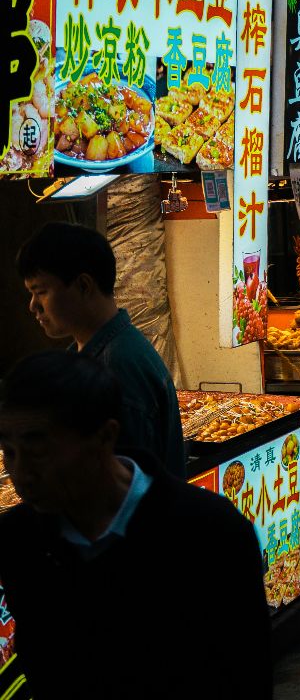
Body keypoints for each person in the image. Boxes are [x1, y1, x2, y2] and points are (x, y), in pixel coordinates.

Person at [0, 351, 269, 698]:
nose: (21, 474)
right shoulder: (18, 540)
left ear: (104, 438)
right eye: (8, 451)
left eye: (38, 451)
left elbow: (246, 675)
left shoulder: (210, 533)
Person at [16, 221, 186, 478]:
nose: (33, 306)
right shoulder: (90, 354)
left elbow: (128, 491)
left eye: (40, 291)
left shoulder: (116, 368)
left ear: (84, 286)